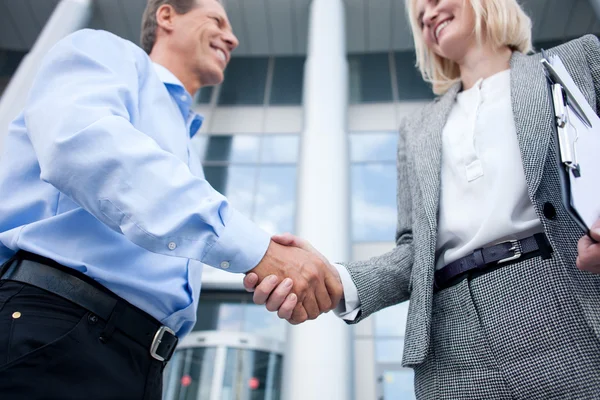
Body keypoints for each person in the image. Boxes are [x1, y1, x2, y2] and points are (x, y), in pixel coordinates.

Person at [244, 0, 600, 398]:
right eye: (419, 15)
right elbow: (415, 248)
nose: (427, 14)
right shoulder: (418, 129)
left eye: (434, 1)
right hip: (450, 336)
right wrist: (336, 280)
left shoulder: (576, 62)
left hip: (563, 296)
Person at [0, 0, 342, 398]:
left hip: (139, 362)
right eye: (216, 20)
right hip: (56, 329)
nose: (232, 38)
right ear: (166, 16)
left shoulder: (187, 152)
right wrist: (260, 252)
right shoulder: (103, 53)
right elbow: (84, 146)